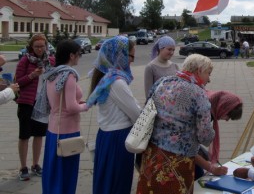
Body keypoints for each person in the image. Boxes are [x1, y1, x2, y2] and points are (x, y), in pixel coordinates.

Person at [136, 53, 216, 194]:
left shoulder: (162, 82)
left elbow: (148, 109)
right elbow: (205, 136)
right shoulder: (199, 94)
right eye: (208, 74)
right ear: (199, 71)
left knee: (151, 188)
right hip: (178, 160)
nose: (209, 79)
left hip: (152, 152)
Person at [87, 36, 141, 194]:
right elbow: (136, 114)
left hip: (107, 136)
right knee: (117, 183)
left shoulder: (108, 77)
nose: (132, 61)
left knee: (107, 182)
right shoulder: (117, 82)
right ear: (120, 56)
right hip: (118, 138)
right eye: (131, 56)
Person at [33, 39, 89, 194]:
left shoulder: (53, 73)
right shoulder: (69, 75)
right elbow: (71, 107)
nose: (79, 57)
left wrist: (78, 102)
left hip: (53, 130)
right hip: (68, 131)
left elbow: (57, 102)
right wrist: (87, 105)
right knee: (66, 173)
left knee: (53, 171)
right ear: (71, 55)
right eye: (79, 54)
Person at [15, 34, 55, 181]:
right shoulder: (25, 60)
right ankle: (23, 167)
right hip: (26, 103)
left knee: (39, 135)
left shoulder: (50, 60)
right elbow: (17, 82)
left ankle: (35, 164)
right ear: (31, 47)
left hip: (43, 104)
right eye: (36, 46)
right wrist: (32, 75)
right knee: (24, 135)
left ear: (46, 46)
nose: (39, 49)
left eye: (42, 46)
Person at [194, 90, 243, 179]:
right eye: (229, 116)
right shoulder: (204, 114)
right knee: (198, 176)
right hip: (179, 154)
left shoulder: (209, 104)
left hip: (184, 150)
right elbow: (190, 149)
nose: (227, 120)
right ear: (223, 108)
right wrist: (212, 169)